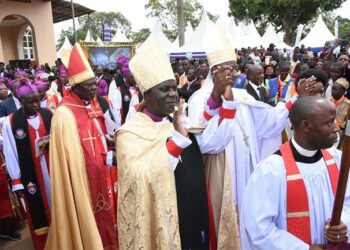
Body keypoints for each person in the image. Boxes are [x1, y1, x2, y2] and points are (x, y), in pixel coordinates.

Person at [116, 38, 238, 250]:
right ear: (147, 95)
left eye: (174, 88)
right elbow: (139, 178)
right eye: (165, 89)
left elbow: (204, 132)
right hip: (164, 221)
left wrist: (218, 98)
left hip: (194, 215)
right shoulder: (130, 133)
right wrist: (177, 142)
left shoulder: (178, 121)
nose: (173, 94)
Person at [240, 96, 350, 250]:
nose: (336, 128)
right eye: (329, 122)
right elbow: (258, 227)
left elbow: (348, 201)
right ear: (306, 126)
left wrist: (343, 223)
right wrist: (303, 248)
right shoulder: (272, 170)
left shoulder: (337, 160)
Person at [46, 43, 118, 250]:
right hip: (83, 182)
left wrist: (108, 143)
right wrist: (109, 158)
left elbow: (94, 141)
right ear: (75, 87)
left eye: (95, 83)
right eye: (89, 85)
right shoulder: (64, 114)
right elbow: (75, 157)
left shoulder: (88, 106)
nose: (95, 88)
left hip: (101, 173)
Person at [2, 79, 52, 250]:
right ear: (21, 101)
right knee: (37, 209)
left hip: (52, 169)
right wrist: (16, 181)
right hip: (31, 174)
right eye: (30, 102)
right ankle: (44, 243)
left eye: (37, 100)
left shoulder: (48, 114)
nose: (36, 105)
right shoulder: (11, 122)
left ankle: (61, 237)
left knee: (55, 203)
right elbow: (10, 152)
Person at [108, 55, 142, 126]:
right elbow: (115, 111)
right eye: (132, 76)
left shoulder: (139, 90)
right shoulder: (118, 89)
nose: (135, 78)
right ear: (125, 76)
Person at [331, 77, 350, 149]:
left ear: (343, 91)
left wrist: (342, 141)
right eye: (332, 89)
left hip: (341, 132)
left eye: (335, 89)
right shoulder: (330, 101)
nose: (332, 91)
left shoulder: (347, 104)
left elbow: (347, 126)